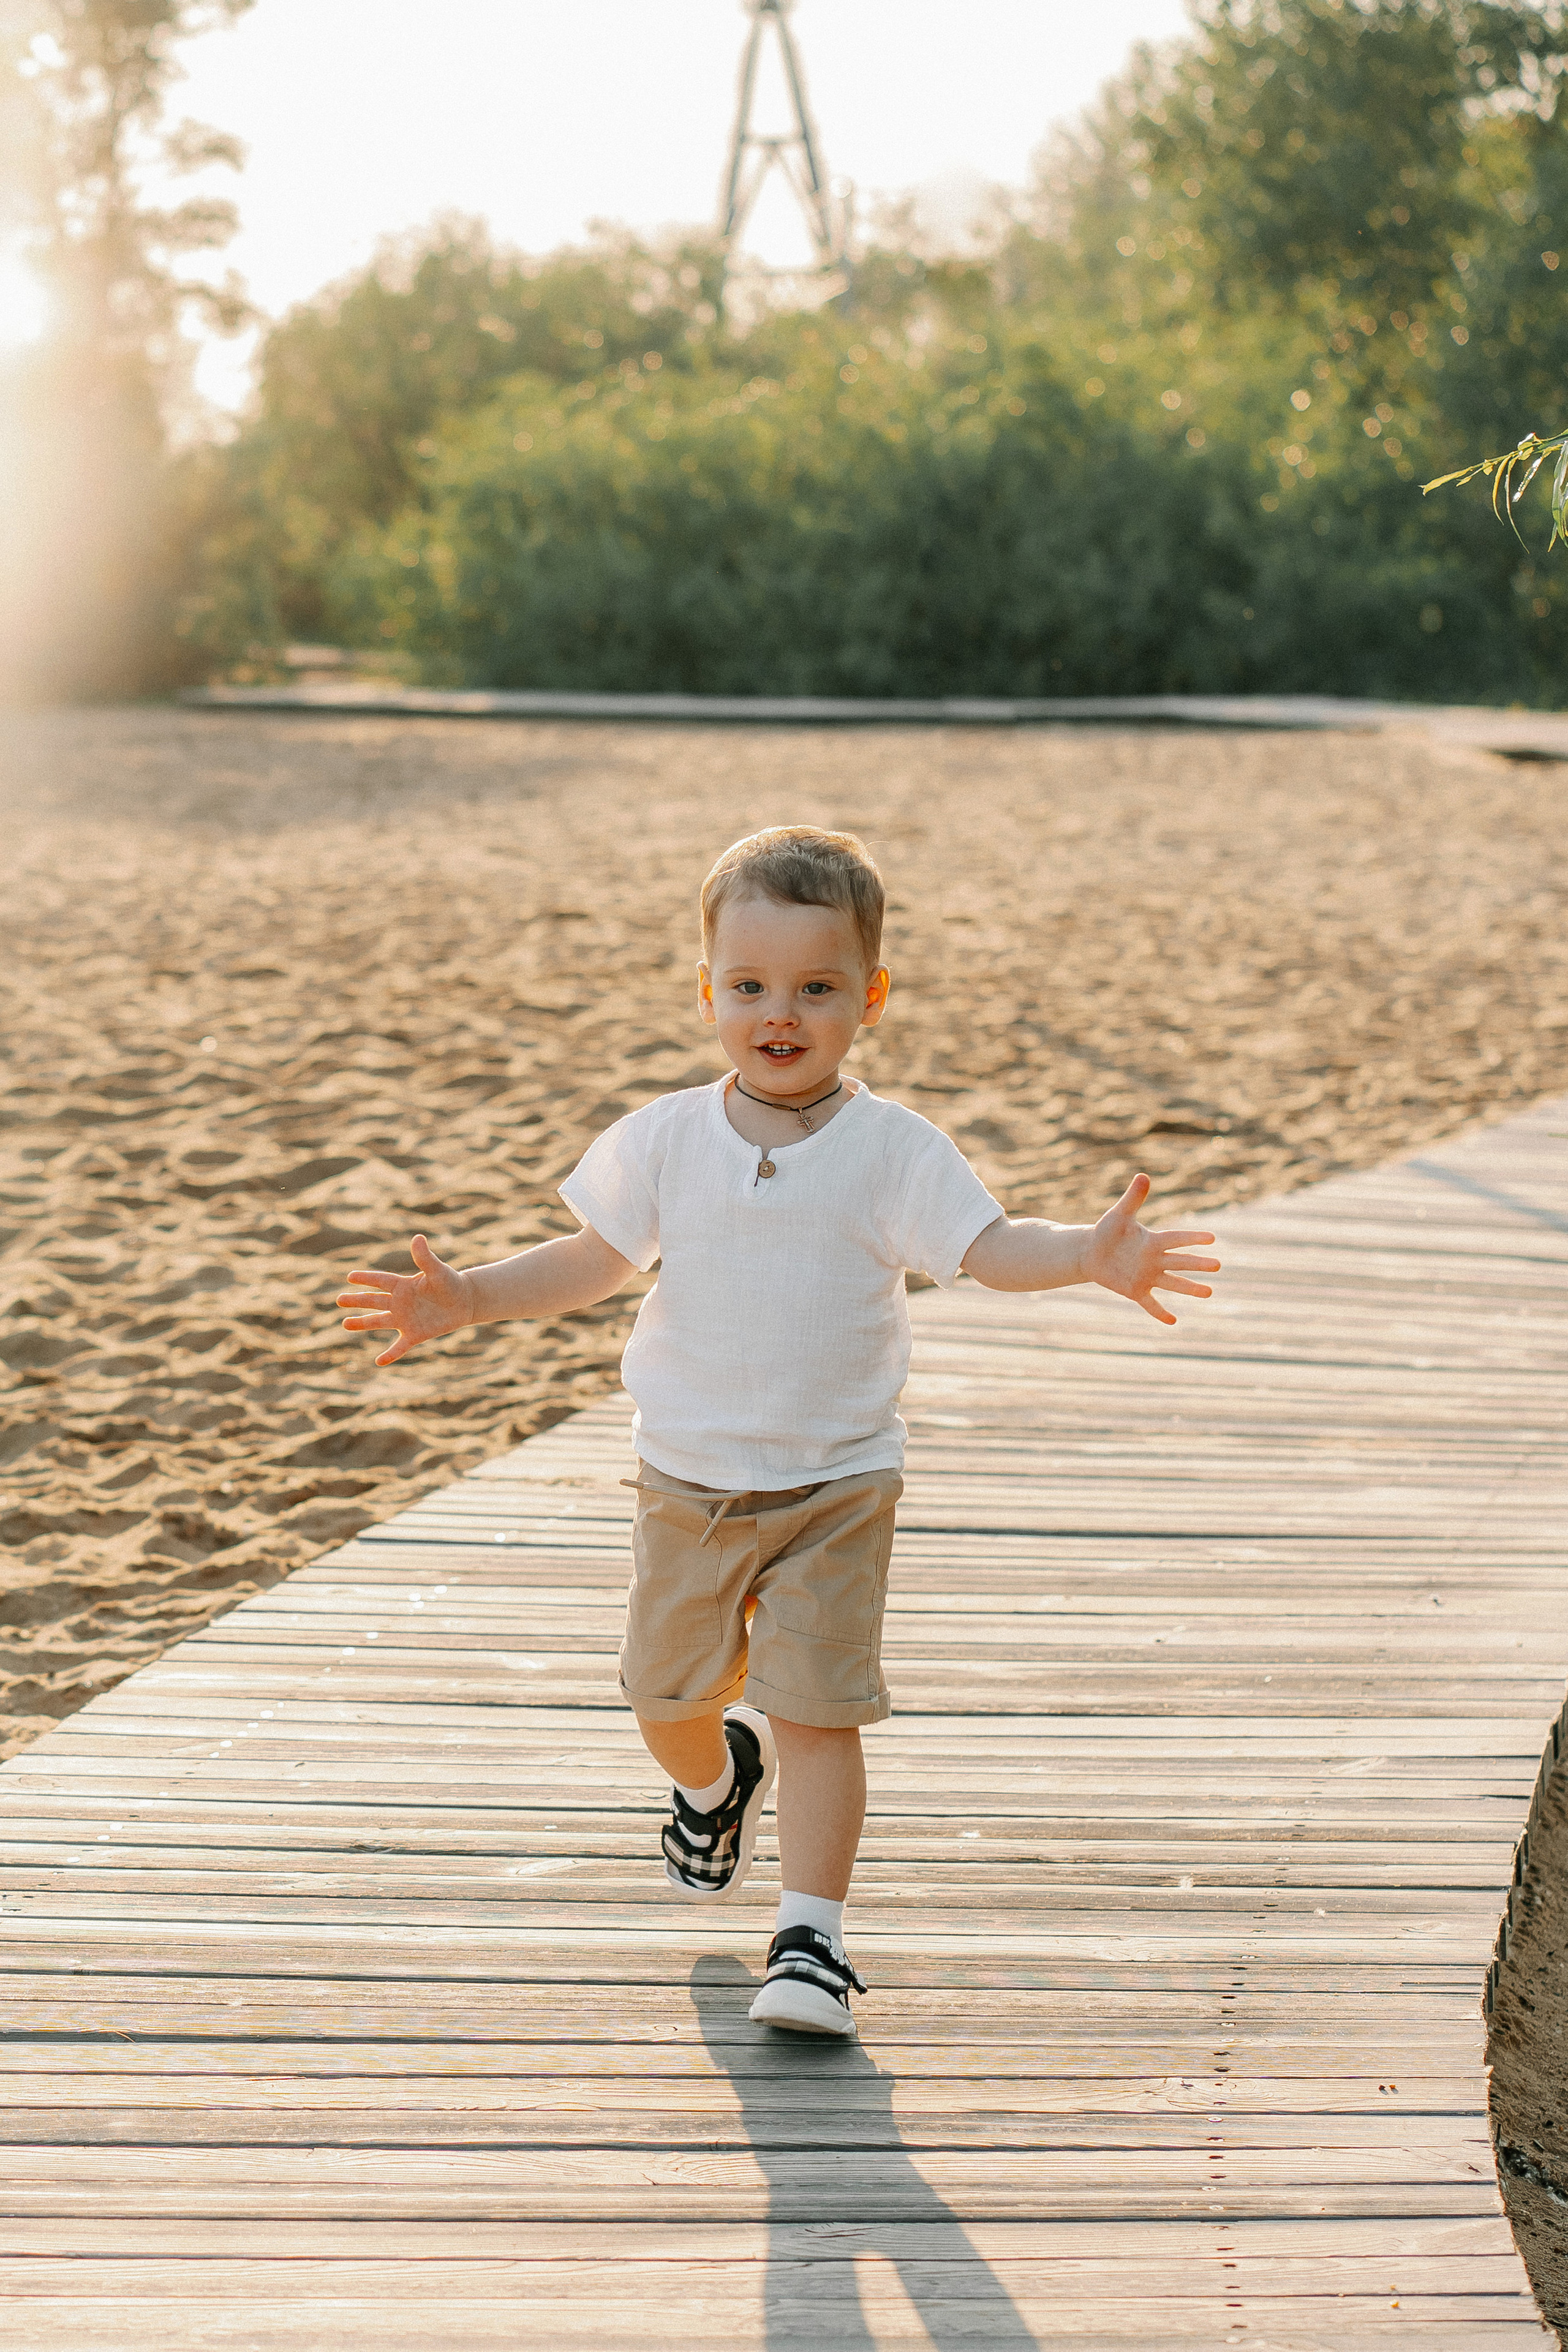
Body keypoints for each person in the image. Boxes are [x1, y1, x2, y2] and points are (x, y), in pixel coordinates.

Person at [338, 826, 1220, 2038]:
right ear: (707, 990)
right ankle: (713, 1786)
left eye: (815, 987)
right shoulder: (662, 1140)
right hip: (687, 1480)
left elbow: (983, 1250)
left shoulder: (894, 1151)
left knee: (816, 1707)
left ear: (868, 995)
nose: (779, 1014)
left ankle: (811, 1936)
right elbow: (595, 1258)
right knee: (664, 1696)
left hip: (837, 1485)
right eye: (748, 986)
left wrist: (1083, 1255)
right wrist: (474, 1295)